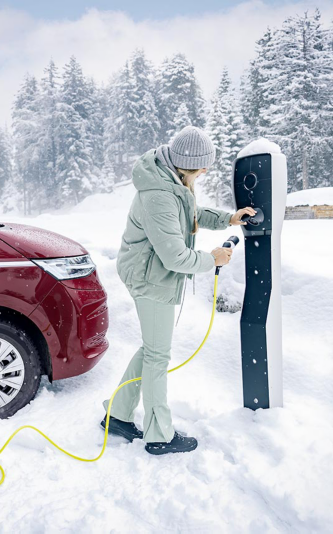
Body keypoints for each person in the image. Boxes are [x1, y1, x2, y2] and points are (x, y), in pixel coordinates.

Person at [101, 125, 256, 455]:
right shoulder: (158, 195)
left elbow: (191, 214)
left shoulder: (171, 180)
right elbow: (174, 256)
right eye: (204, 166)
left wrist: (229, 218)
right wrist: (212, 259)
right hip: (149, 278)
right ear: (192, 164)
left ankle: (117, 414)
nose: (206, 171)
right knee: (157, 356)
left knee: (150, 349)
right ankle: (159, 435)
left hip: (150, 271)